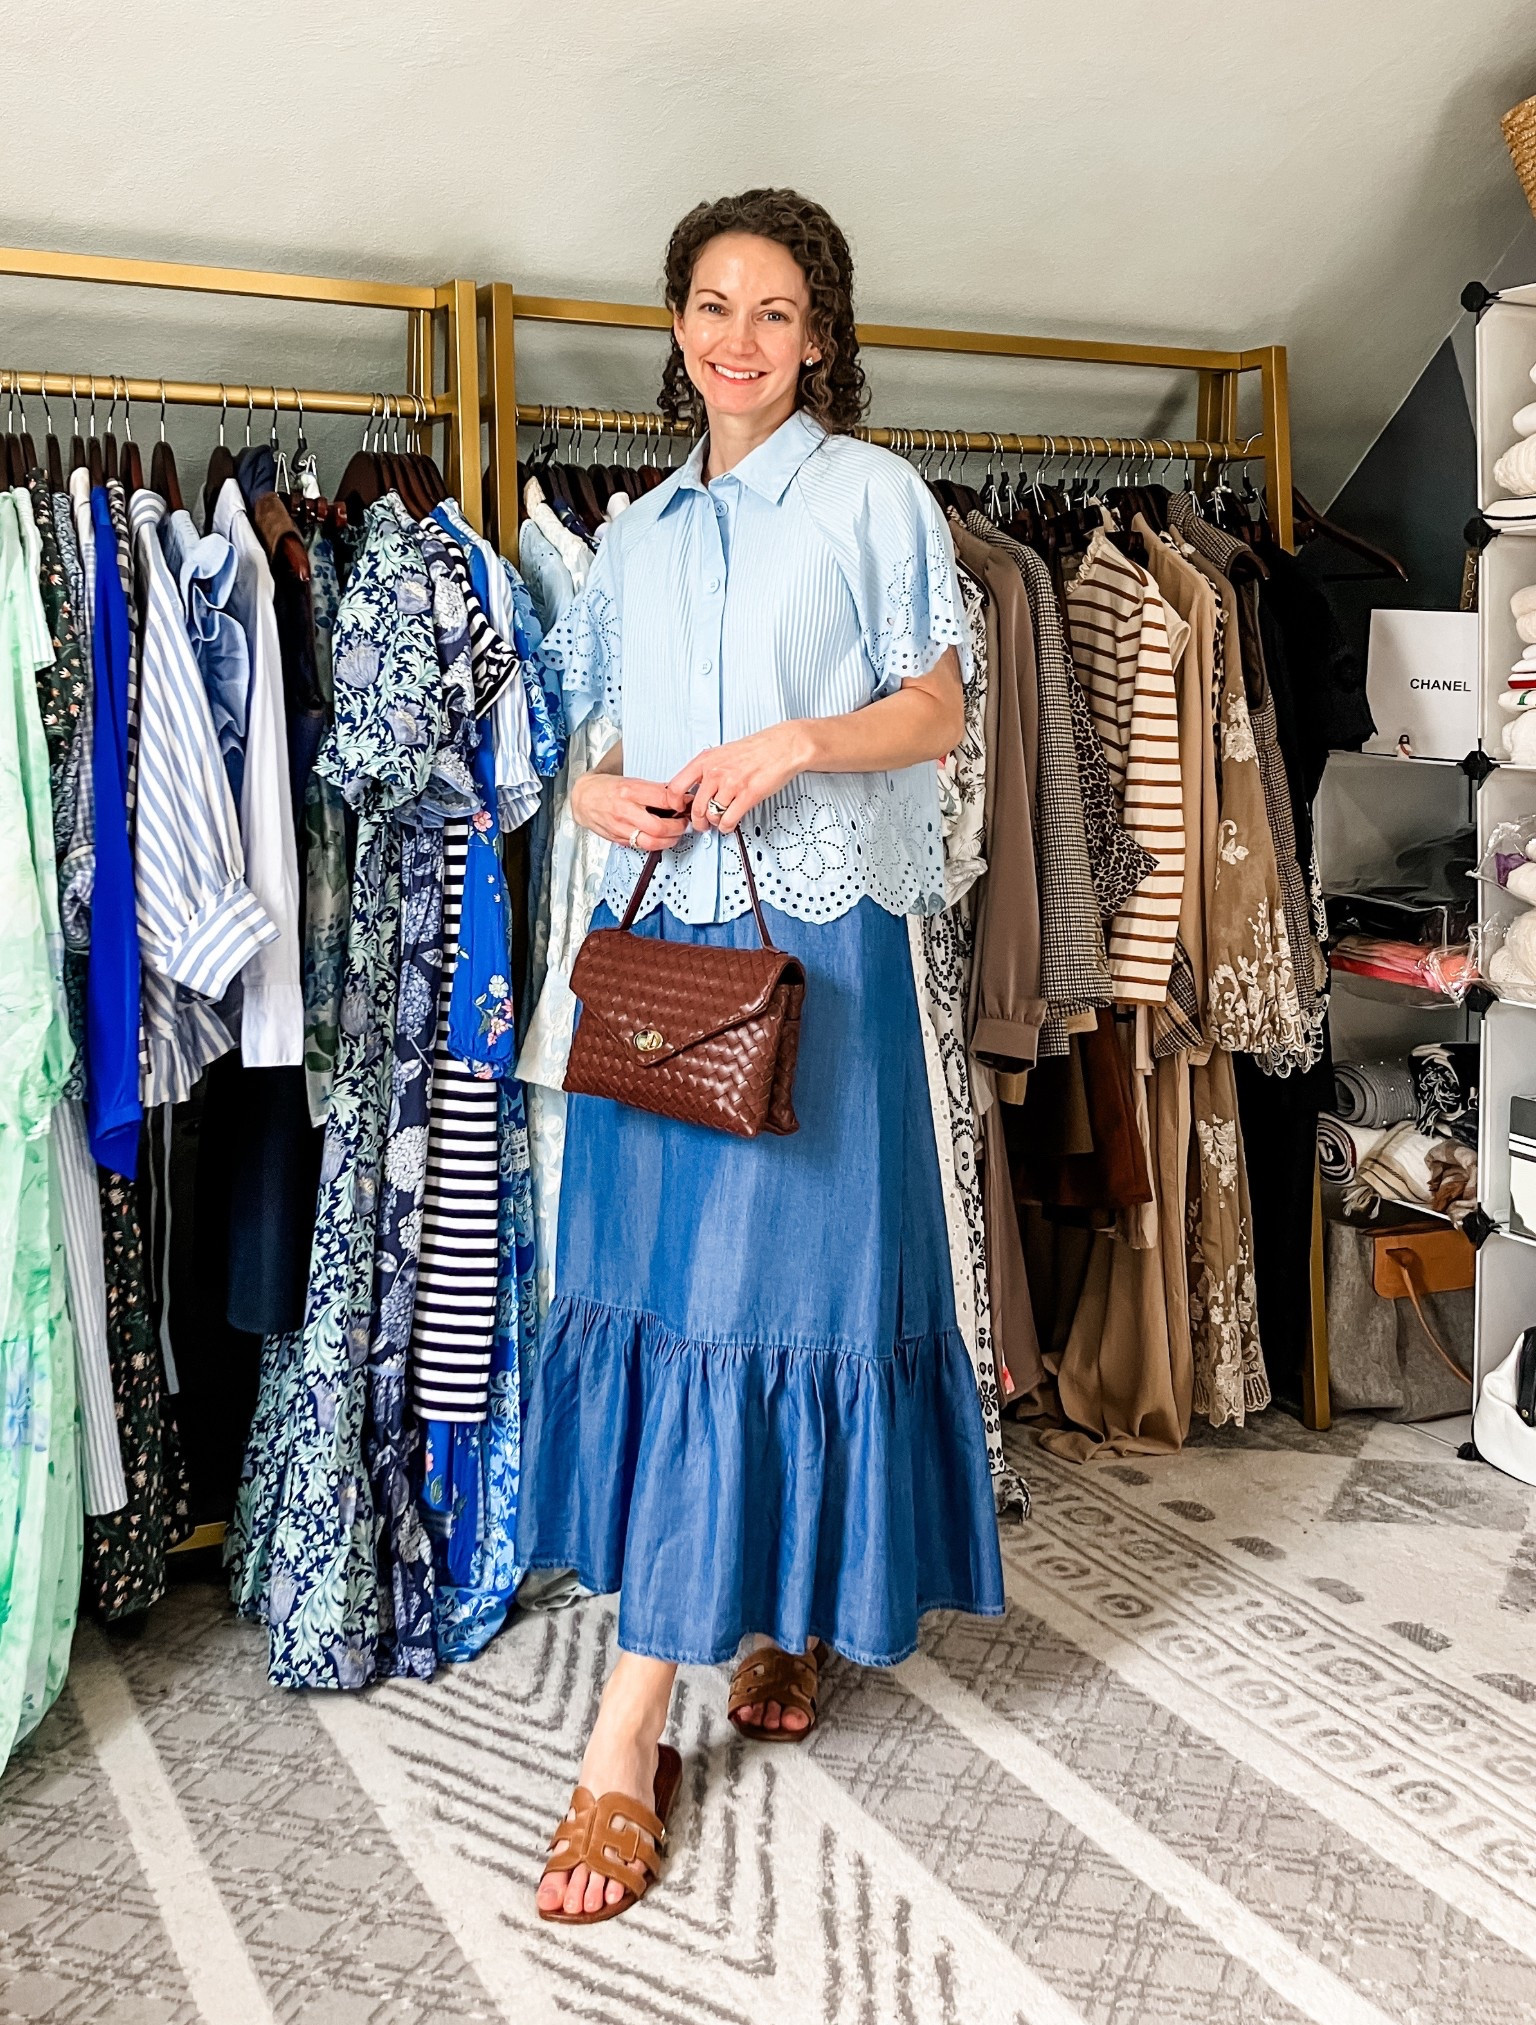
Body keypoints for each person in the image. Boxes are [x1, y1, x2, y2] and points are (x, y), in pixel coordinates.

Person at [519, 187, 1005, 1925]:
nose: (740, 338)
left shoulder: (873, 498)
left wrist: (802, 740)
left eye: (777, 312)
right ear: (676, 327)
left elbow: (943, 709)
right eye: (713, 306)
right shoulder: (636, 528)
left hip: (822, 950)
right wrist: (591, 787)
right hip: (663, 964)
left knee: (778, 1299)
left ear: (821, 337)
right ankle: (780, 1613)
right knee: (666, 1296)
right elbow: (581, 735)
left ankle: (622, 1738)